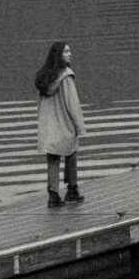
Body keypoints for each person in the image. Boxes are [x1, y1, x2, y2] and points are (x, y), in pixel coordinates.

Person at [34, 40, 84, 207]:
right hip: (65, 124)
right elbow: (73, 105)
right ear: (59, 55)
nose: (70, 54)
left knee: (53, 159)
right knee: (72, 152)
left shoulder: (44, 77)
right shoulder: (66, 76)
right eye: (66, 51)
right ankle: (72, 191)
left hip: (49, 126)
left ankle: (53, 195)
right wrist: (79, 127)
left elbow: (40, 105)